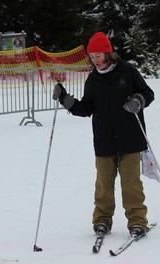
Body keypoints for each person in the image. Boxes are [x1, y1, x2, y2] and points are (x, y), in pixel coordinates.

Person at [52, 32, 154, 237]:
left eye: (98, 55)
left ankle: (137, 221)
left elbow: (148, 93)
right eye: (92, 56)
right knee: (103, 186)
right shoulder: (93, 80)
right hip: (104, 140)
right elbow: (86, 108)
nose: (95, 60)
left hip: (131, 139)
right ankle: (102, 221)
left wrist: (138, 101)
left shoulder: (128, 72)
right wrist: (66, 100)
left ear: (108, 53)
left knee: (131, 184)